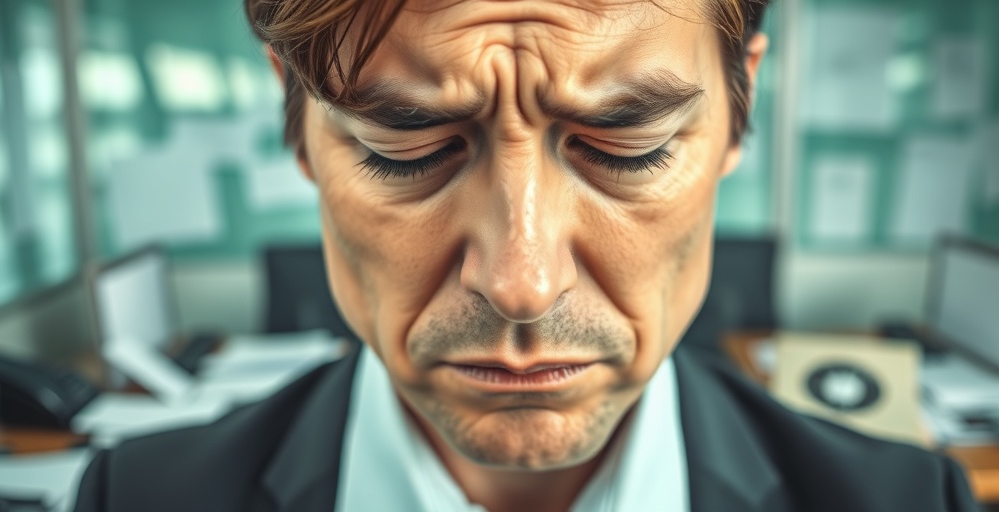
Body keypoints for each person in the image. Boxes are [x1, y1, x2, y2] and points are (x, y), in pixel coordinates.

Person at [74, 1, 978, 511]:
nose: (522, 284)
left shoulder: (912, 503)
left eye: (629, 147)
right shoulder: (134, 498)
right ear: (301, 127)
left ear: (740, 112)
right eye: (406, 149)